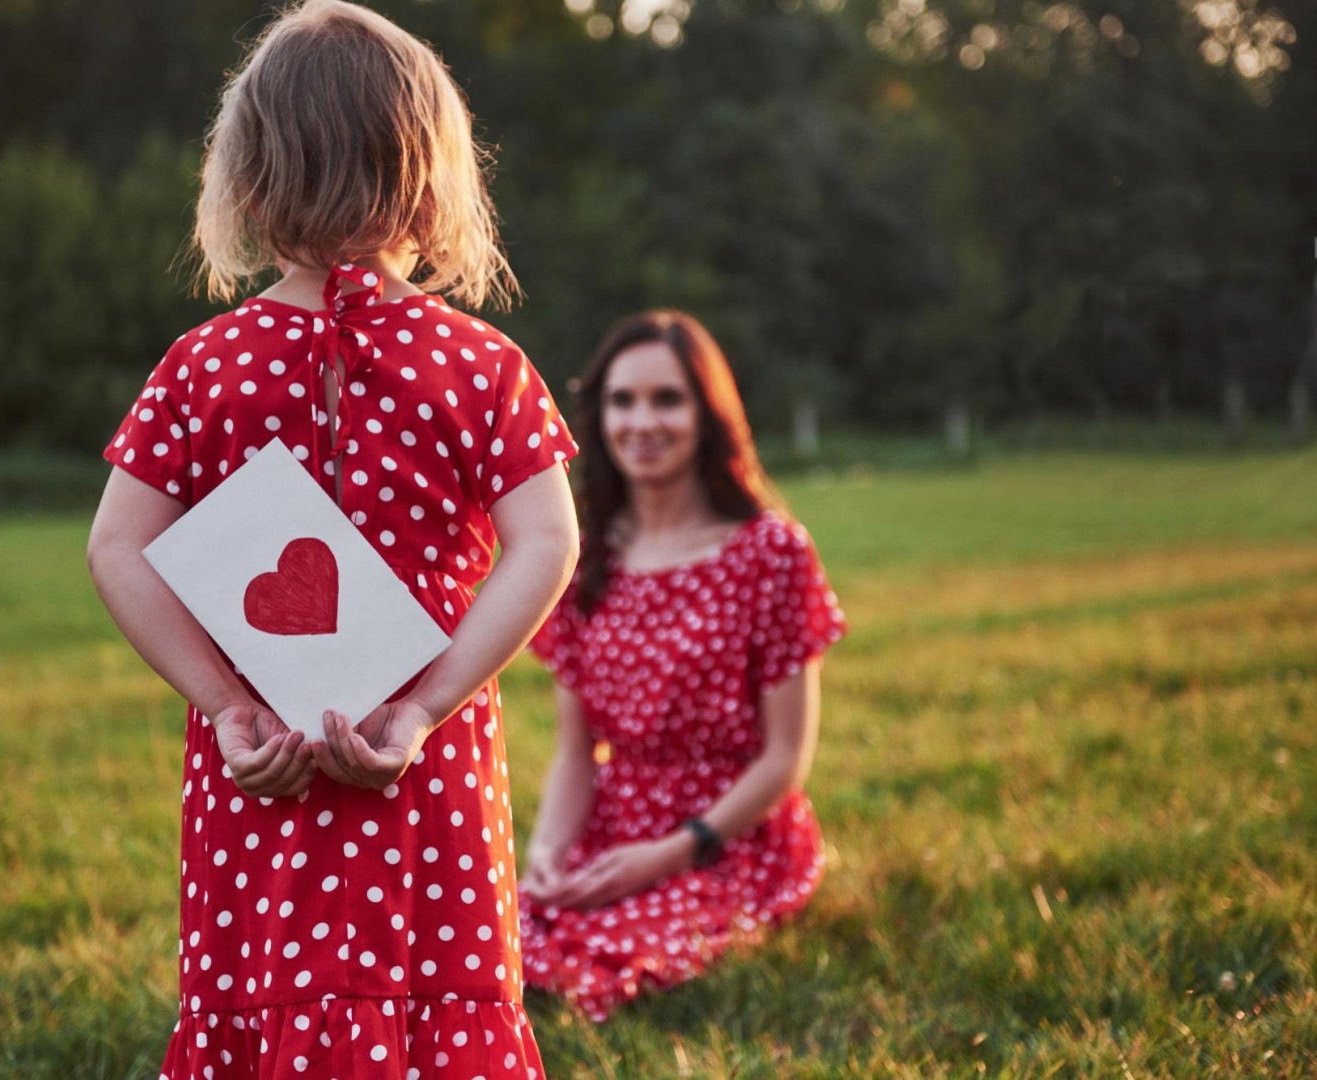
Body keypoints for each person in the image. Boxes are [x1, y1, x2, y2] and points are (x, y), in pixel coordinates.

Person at [85, 3, 579, 1075]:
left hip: (260, 754)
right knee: (430, 992)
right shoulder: (482, 364)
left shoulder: (202, 363)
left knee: (267, 988)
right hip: (420, 755)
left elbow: (115, 549)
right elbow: (547, 544)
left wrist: (227, 707)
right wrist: (424, 705)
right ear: (431, 176)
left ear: (248, 178)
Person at [518, 310, 846, 1022]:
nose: (643, 421)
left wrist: (672, 853)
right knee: (501, 937)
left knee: (608, 954)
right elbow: (577, 750)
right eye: (622, 400)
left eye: (667, 398)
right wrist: (546, 851)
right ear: (598, 415)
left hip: (728, 834)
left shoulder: (771, 552)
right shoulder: (585, 559)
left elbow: (786, 757)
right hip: (612, 825)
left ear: (709, 412)